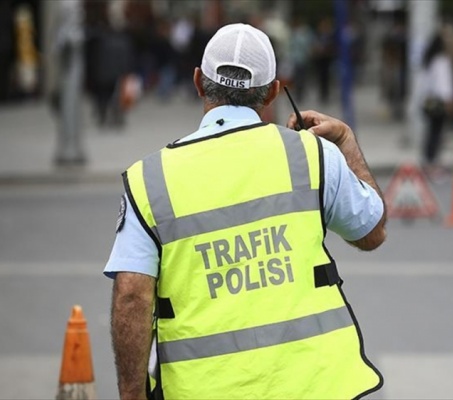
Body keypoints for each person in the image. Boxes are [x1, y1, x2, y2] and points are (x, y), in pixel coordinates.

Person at [105, 23, 386, 399]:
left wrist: (132, 396)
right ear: (272, 91)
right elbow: (372, 231)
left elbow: (132, 296)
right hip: (314, 387)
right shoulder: (312, 155)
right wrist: (346, 141)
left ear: (197, 82)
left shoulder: (150, 180)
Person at [419, 34, 453, 180]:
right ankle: (433, 165)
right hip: (439, 103)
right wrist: (450, 101)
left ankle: (428, 162)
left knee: (431, 133)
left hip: (429, 101)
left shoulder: (429, 60)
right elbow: (444, 85)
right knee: (437, 133)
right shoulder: (442, 61)